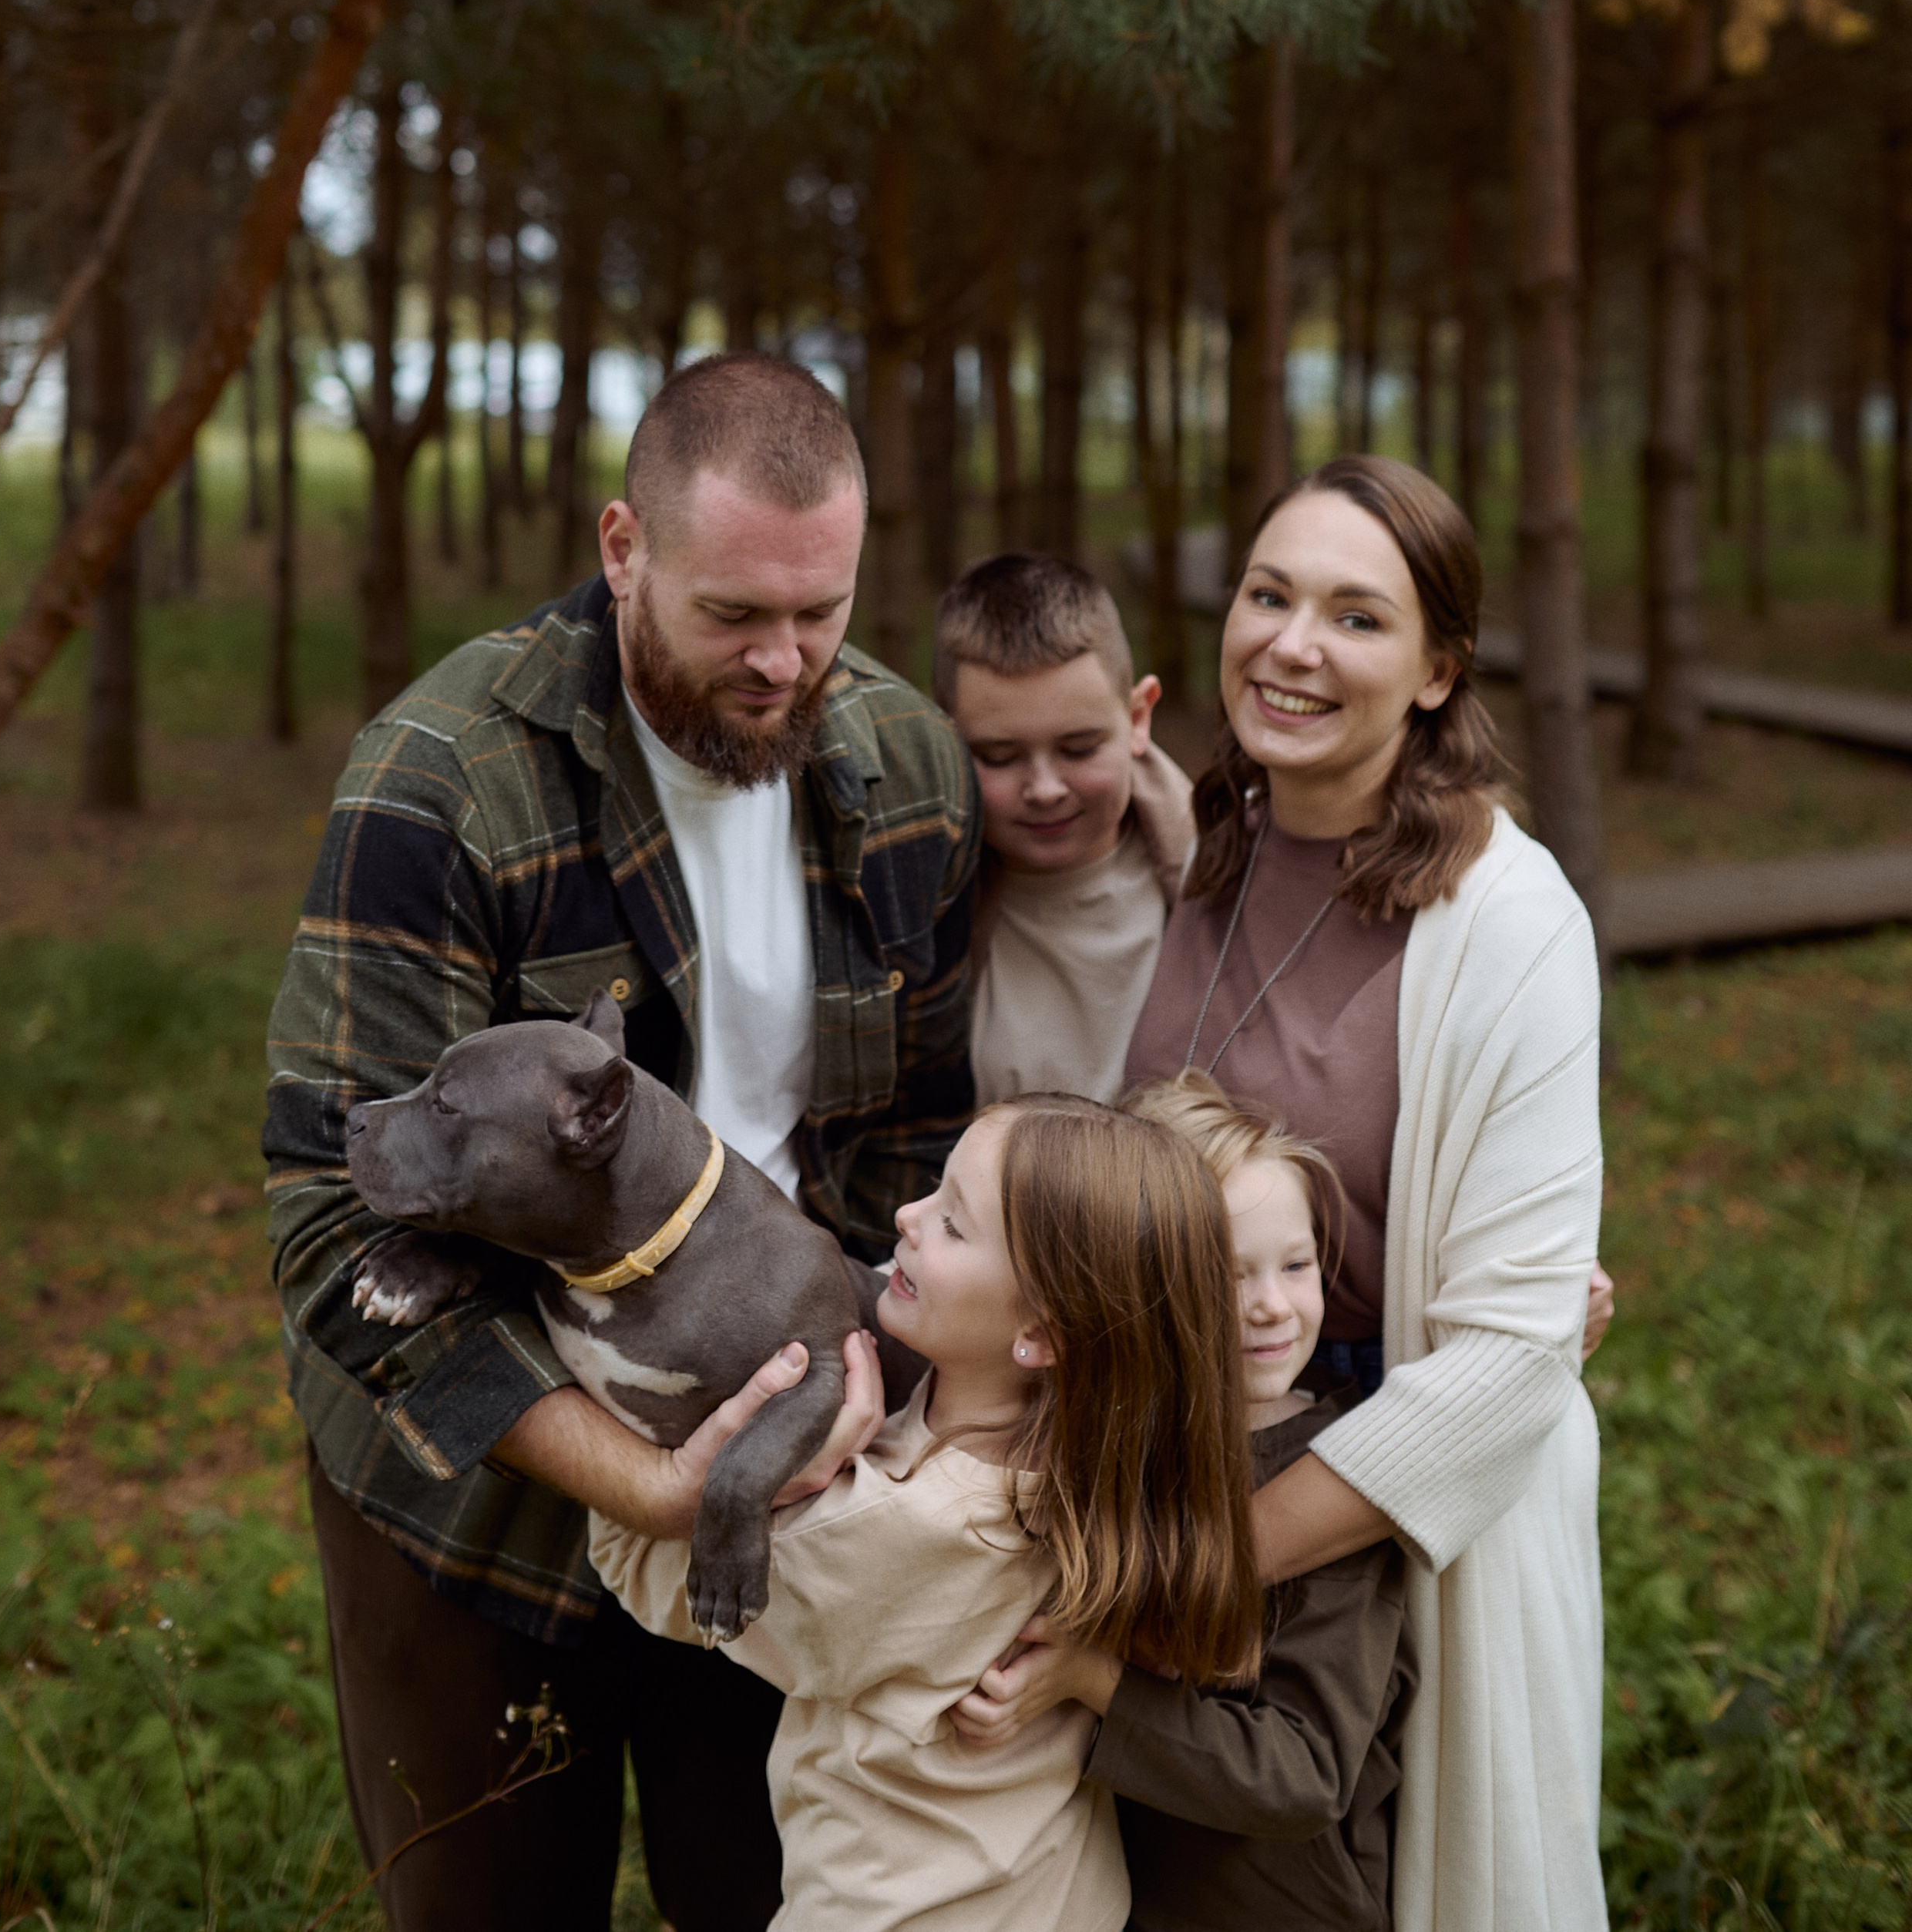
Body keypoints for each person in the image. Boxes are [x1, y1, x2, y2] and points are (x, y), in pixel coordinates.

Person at [264, 352, 979, 1932]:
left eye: (822, 609)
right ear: (621, 547)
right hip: (477, 1512)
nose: (784, 660)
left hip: (787, 1493)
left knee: (775, 1904)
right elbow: (329, 1225)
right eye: (733, 613)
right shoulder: (443, 778)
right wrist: (651, 1482)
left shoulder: (908, 766)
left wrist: (857, 1445)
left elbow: (919, 1150)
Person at [1100, 452, 1607, 1932]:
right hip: (1169, 1453)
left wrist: (1197, 1567)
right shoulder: (1214, 847)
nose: (1293, 642)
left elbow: (1507, 1358)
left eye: (1357, 614)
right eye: (1269, 594)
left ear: (1440, 669)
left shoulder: (1511, 920)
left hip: (1371, 1515)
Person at [586, 1094, 1265, 1932]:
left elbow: (650, 1574)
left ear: (1041, 1334)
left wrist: (704, 1451)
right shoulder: (1096, 1469)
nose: (909, 1216)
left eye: (952, 1223)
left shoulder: (915, 1532)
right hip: (1051, 1896)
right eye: (935, 1192)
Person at [956, 1072, 1414, 1932]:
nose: (1271, 1306)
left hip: (1277, 1909)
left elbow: (1303, 1774)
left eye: (1296, 1265)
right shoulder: (1104, 1436)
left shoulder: (1339, 1481)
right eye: (1226, 1275)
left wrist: (1094, 1682)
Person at [932, 552, 1193, 1105]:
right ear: (944, 741)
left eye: (1079, 748)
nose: (1045, 789)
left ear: (1138, 718)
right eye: (999, 757)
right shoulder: (920, 905)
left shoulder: (1224, 874)